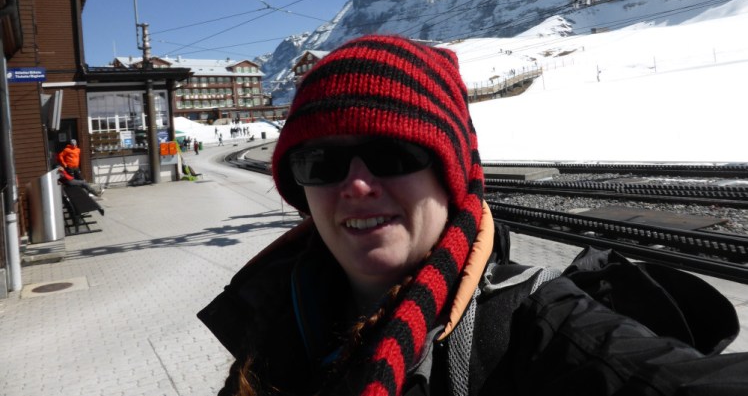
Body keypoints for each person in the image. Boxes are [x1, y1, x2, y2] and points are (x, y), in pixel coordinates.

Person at [199, 35, 748, 396]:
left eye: (393, 154)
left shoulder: (541, 328)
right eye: (321, 161)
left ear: (451, 174)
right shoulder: (271, 312)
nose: (358, 185)